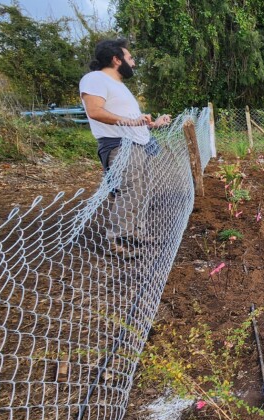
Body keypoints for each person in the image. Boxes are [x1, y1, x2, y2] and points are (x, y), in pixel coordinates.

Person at [79, 38, 170, 258]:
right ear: (116, 59)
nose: (134, 63)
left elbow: (131, 119)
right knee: (128, 192)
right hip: (119, 146)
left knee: (141, 191)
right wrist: (131, 123)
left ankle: (134, 234)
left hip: (139, 145)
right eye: (130, 58)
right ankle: (115, 241)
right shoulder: (95, 79)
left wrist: (152, 124)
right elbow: (95, 111)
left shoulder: (119, 86)